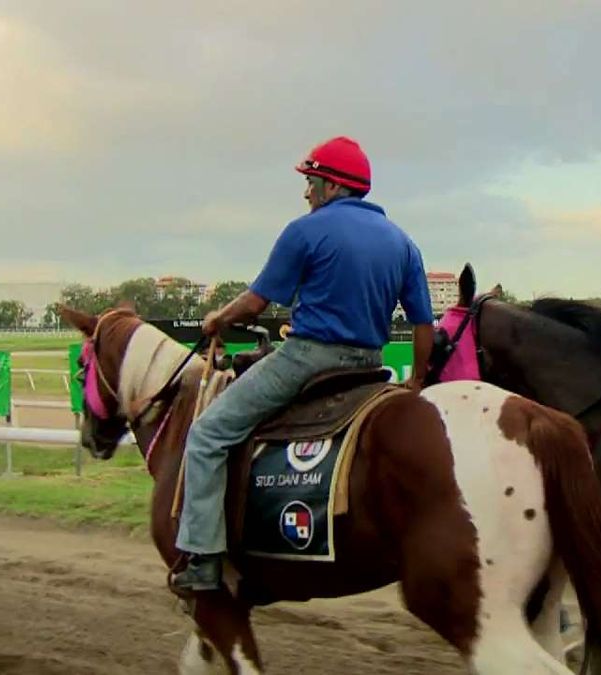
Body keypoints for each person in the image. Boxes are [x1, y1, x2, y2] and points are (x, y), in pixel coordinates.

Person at [172, 136, 435, 592]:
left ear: (333, 185)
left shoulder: (305, 230)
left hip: (309, 358)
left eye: (311, 181)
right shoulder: (403, 242)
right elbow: (423, 324)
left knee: (208, 433)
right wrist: (417, 379)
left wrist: (217, 318)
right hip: (371, 365)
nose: (306, 191)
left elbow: (255, 304)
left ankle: (203, 558)